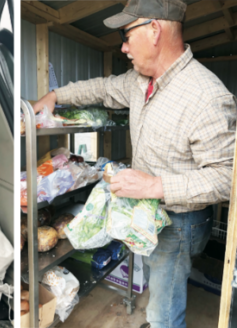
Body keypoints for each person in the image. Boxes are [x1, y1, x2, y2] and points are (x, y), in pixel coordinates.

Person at [33, 1, 236, 327]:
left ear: (154, 30)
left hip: (180, 222)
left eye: (127, 34)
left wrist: (156, 186)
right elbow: (100, 88)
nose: (124, 47)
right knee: (161, 288)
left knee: (164, 310)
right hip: (149, 213)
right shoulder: (140, 81)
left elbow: (227, 177)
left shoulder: (207, 95)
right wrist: (56, 95)